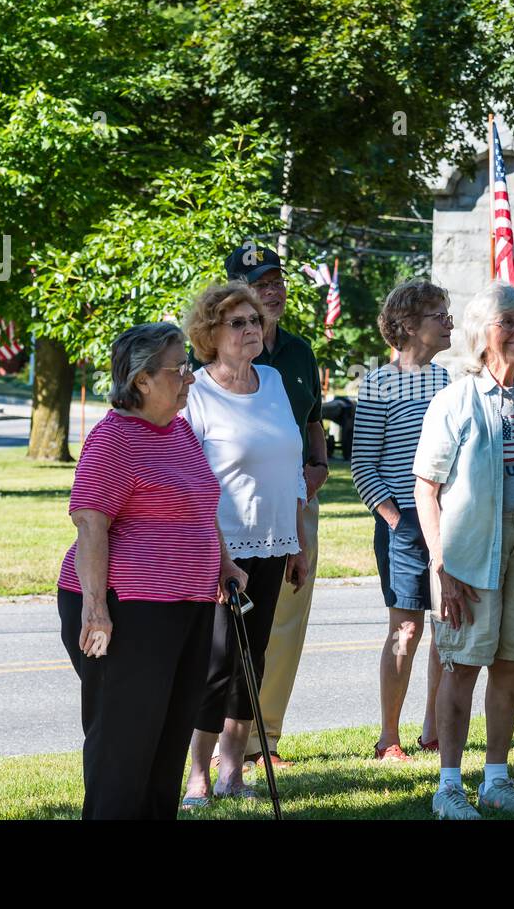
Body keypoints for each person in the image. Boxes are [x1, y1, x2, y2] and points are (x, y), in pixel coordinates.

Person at [57, 322, 244, 819]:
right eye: (179, 368)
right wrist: (96, 611)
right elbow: (91, 524)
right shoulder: (113, 440)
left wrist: (223, 562)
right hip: (127, 609)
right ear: (141, 379)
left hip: (188, 604)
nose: (191, 377)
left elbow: (201, 505)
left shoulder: (177, 430)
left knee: (168, 738)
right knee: (124, 744)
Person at [413, 283, 514, 819]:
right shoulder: (454, 401)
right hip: (469, 553)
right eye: (508, 323)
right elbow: (425, 488)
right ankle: (448, 786)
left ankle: (497, 780)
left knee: (509, 664)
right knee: (462, 665)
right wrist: (442, 565)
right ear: (481, 334)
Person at [182, 283, 309, 803]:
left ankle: (232, 773)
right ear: (210, 333)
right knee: (215, 666)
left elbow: (292, 466)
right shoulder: (195, 392)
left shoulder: (273, 381)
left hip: (274, 542)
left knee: (251, 663)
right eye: (237, 323)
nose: (251, 329)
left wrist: (297, 541)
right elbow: (190, 482)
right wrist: (218, 558)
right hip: (222, 550)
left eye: (254, 320)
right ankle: (198, 775)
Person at [217, 244, 328, 769]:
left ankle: (265, 741)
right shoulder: (210, 353)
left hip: (295, 503)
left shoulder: (299, 353)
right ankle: (216, 744)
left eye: (276, 281)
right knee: (227, 634)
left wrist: (319, 464)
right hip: (231, 513)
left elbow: (313, 420)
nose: (272, 292)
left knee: (282, 623)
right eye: (259, 284)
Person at [350, 279, 452, 760]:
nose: (448, 323)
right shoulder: (378, 382)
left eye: (448, 314)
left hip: (449, 519)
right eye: (438, 315)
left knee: (446, 627)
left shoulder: (449, 381)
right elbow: (362, 466)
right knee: (405, 631)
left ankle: (433, 730)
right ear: (408, 325)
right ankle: (388, 738)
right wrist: (395, 520)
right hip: (404, 522)